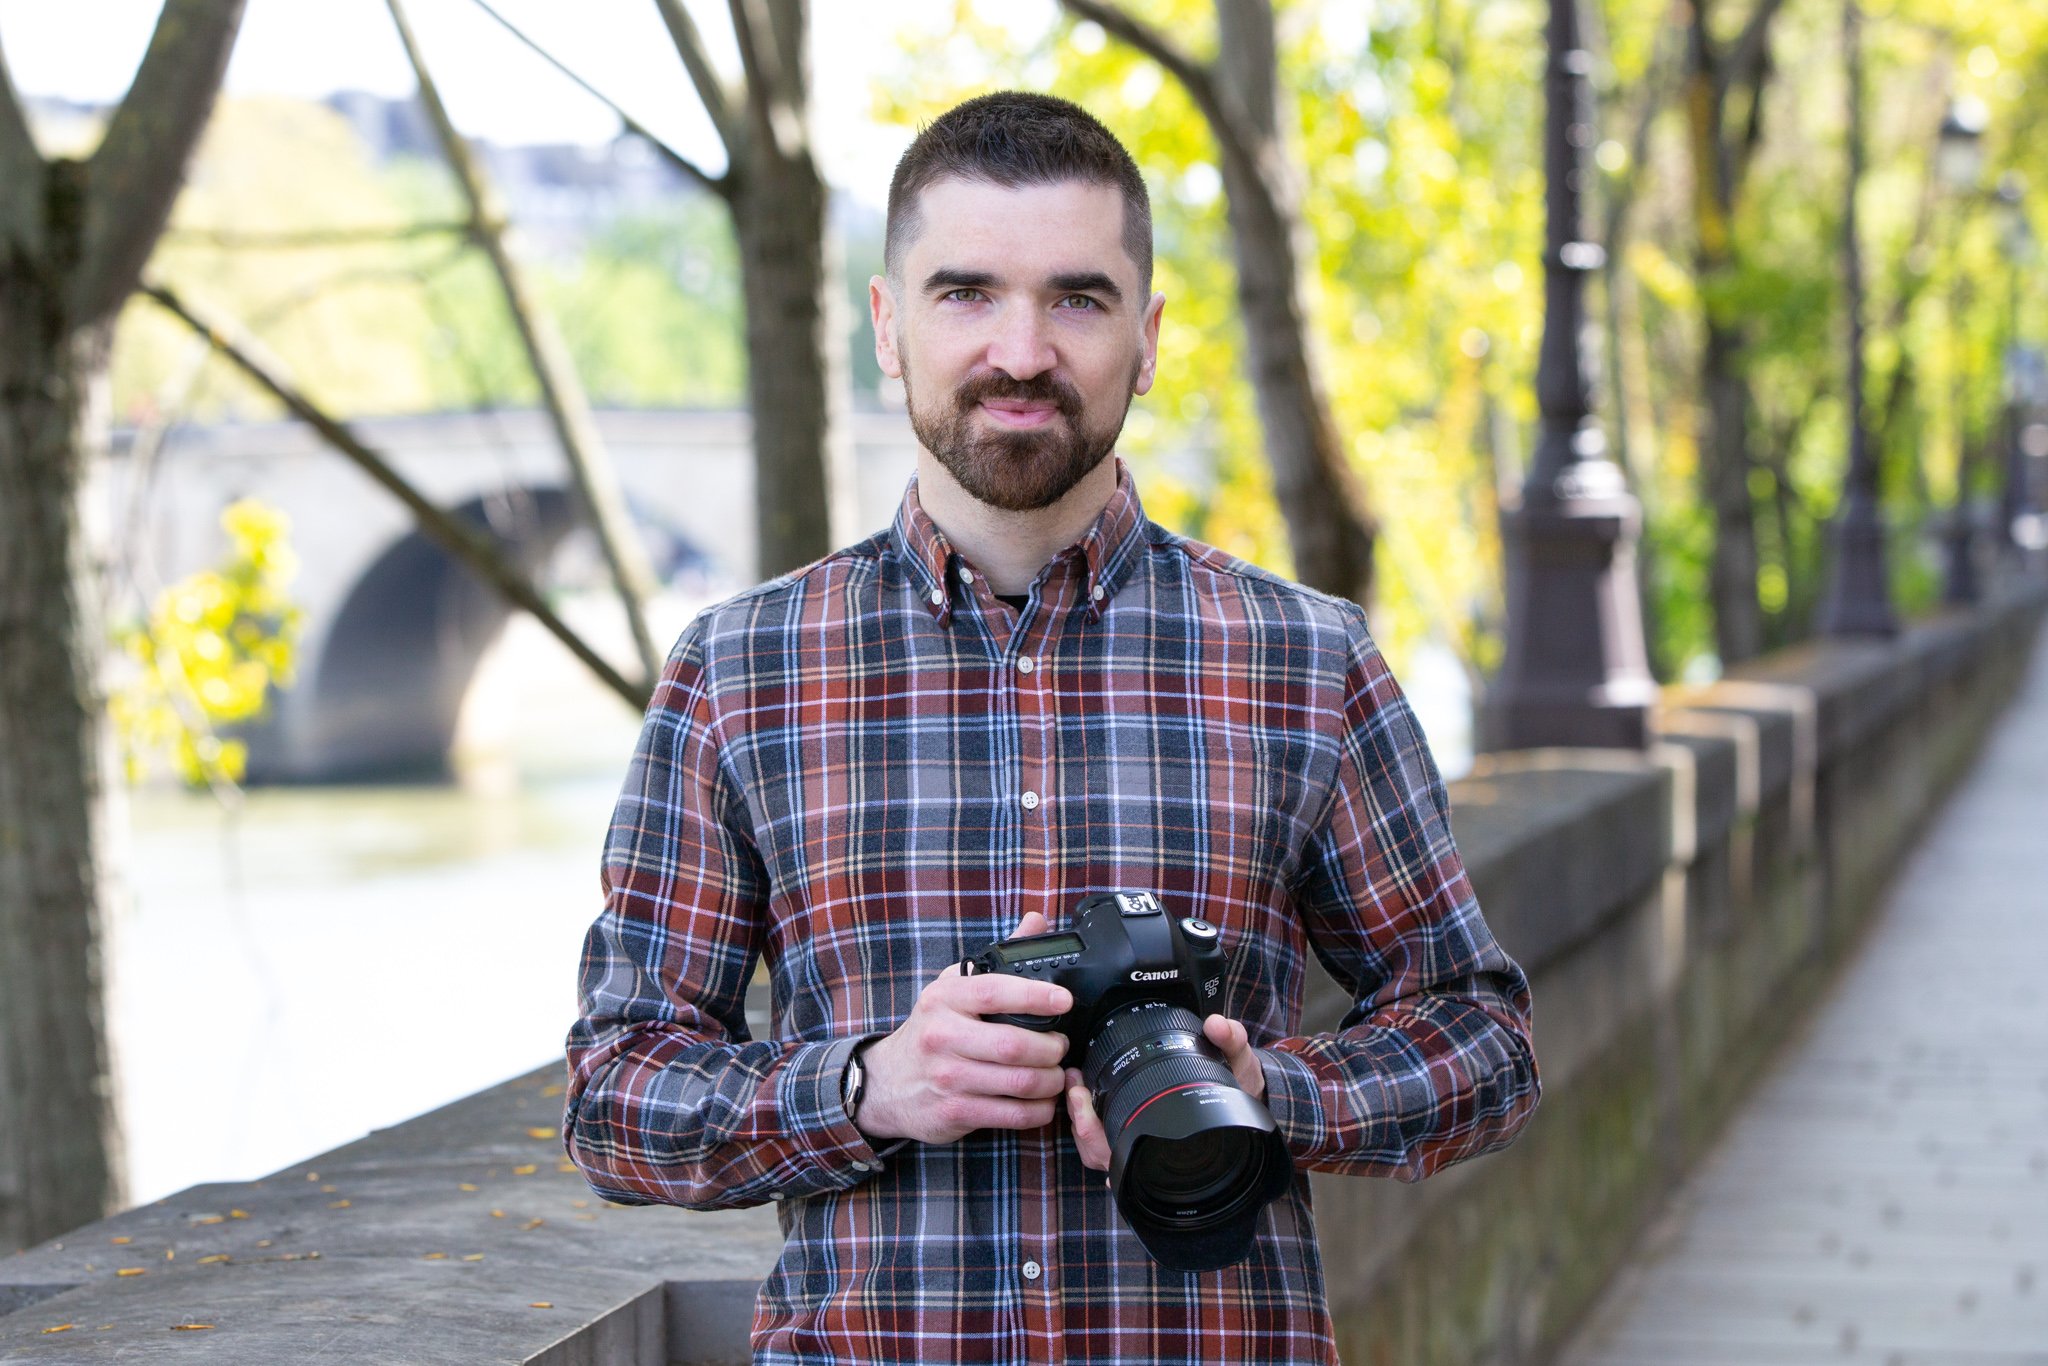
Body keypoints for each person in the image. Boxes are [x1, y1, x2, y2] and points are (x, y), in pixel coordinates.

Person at [564, 91, 1539, 1365]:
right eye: (964, 293)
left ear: (1145, 338)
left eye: (1075, 299)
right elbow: (616, 1092)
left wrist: (1271, 1094)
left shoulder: (1304, 659)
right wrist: (865, 1086)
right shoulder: (743, 670)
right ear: (885, 327)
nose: (1019, 350)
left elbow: (1484, 1039)